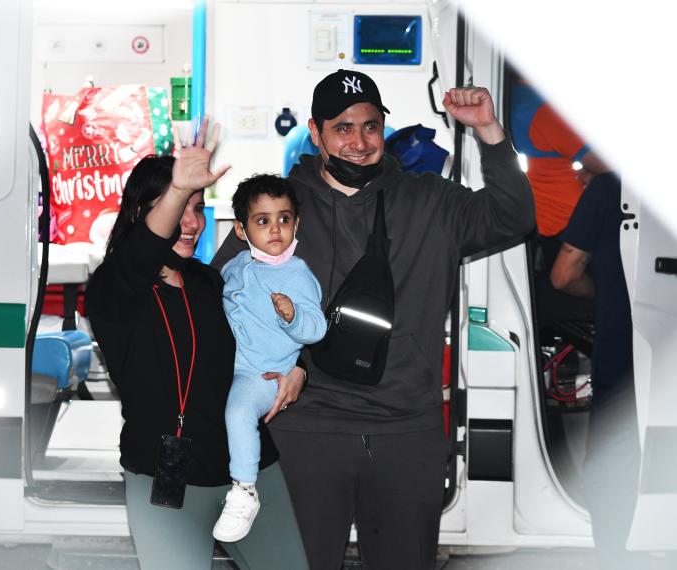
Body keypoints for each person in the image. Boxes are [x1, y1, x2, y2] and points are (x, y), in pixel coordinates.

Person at [212, 69, 534, 569]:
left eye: (370, 126)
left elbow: (513, 217)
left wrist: (489, 131)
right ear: (316, 134)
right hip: (306, 430)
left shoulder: (430, 202)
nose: (359, 142)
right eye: (342, 128)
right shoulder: (277, 210)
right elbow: (226, 301)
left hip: (405, 429)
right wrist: (278, 367)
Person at [85, 120, 308, 570]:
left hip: (248, 472)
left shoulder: (212, 280)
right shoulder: (114, 288)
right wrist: (179, 186)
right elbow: (140, 252)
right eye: (177, 208)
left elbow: (273, 329)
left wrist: (300, 367)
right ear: (142, 212)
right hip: (166, 477)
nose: (191, 222)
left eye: (199, 207)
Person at [211, 174, 325, 543]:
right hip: (228, 364)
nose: (275, 229)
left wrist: (293, 316)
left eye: (284, 219)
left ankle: (244, 489)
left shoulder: (298, 275)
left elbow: (316, 331)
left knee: (238, 413)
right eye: (263, 221)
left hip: (262, 374)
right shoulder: (236, 265)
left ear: (297, 224)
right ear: (241, 231)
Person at [550, 172, 651, 570]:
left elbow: (563, 275)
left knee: (615, 469)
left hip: (622, 359)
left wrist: (609, 291)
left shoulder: (612, 189)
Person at [510, 78, 608, 272]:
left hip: (547, 226)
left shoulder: (515, 98)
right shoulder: (542, 109)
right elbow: (606, 166)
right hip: (574, 224)